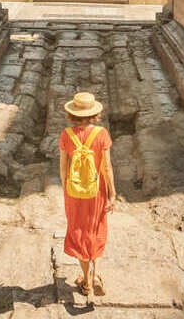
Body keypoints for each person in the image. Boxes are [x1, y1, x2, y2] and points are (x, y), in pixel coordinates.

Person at [59, 92, 116, 300]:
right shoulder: (102, 134)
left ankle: (86, 280)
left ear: (72, 114)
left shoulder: (66, 135)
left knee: (79, 231)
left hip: (74, 192)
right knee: (96, 229)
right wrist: (113, 194)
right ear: (94, 114)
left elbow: (63, 168)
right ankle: (95, 274)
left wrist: (66, 189)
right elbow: (107, 167)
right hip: (97, 191)